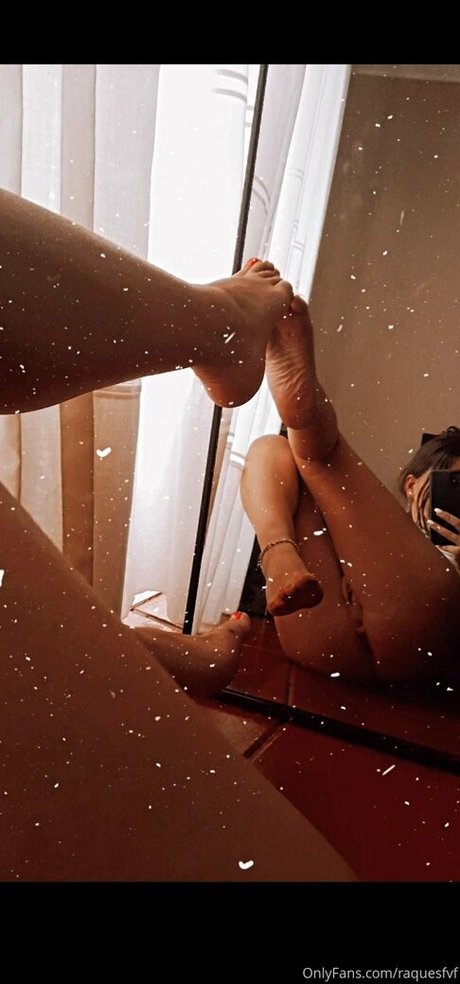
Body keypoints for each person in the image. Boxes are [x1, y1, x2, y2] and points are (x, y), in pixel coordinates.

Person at [0, 189, 354, 881]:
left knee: (295, 454)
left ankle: (230, 336)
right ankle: (234, 343)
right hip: (335, 622)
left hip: (427, 622)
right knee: (276, 452)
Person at [241, 295, 460, 687]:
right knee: (271, 450)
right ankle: (279, 554)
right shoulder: (371, 527)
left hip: (426, 644)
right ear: (412, 485)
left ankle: (309, 419)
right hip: (327, 637)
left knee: (320, 459)